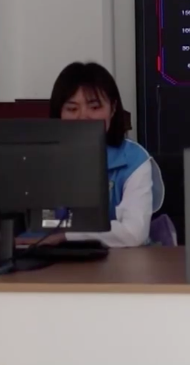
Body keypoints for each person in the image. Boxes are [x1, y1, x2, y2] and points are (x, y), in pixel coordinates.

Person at [35, 62, 164, 248]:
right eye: (72, 109)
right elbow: (39, 223)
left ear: (113, 108)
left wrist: (67, 236)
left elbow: (133, 232)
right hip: (53, 259)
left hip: (124, 261)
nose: (83, 117)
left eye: (94, 107)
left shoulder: (134, 160)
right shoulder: (41, 159)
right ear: (59, 113)